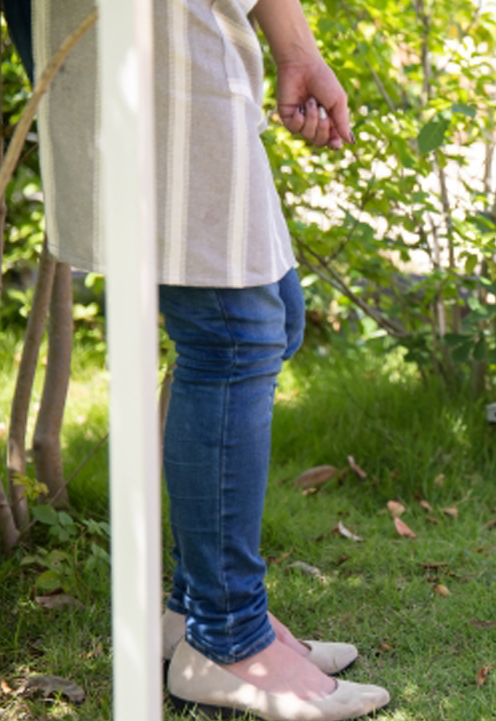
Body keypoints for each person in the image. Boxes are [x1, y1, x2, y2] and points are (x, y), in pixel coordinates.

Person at [7, 1, 390, 718]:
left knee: (269, 321)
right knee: (234, 331)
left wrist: (295, 48)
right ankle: (226, 636)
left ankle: (194, 609)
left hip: (203, 23)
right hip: (139, 24)